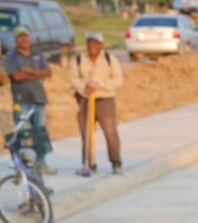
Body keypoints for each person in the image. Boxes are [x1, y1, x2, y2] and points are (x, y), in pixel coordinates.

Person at [68, 31, 123, 177]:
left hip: (105, 99)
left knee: (110, 132)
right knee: (86, 133)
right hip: (85, 100)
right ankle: (88, 163)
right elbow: (73, 79)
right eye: (90, 42)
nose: (92, 45)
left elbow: (118, 80)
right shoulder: (79, 59)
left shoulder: (109, 59)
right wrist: (84, 86)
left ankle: (116, 163)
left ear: (101, 44)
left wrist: (99, 84)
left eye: (96, 43)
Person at [2, 25, 55, 176]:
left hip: (39, 99)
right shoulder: (11, 57)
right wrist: (38, 74)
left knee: (40, 133)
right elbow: (16, 76)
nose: (24, 39)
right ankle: (24, 169)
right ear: (15, 39)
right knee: (23, 134)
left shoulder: (37, 55)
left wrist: (30, 71)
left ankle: (41, 164)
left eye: (26, 36)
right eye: (20, 36)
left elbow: (49, 72)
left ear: (30, 37)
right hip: (22, 100)